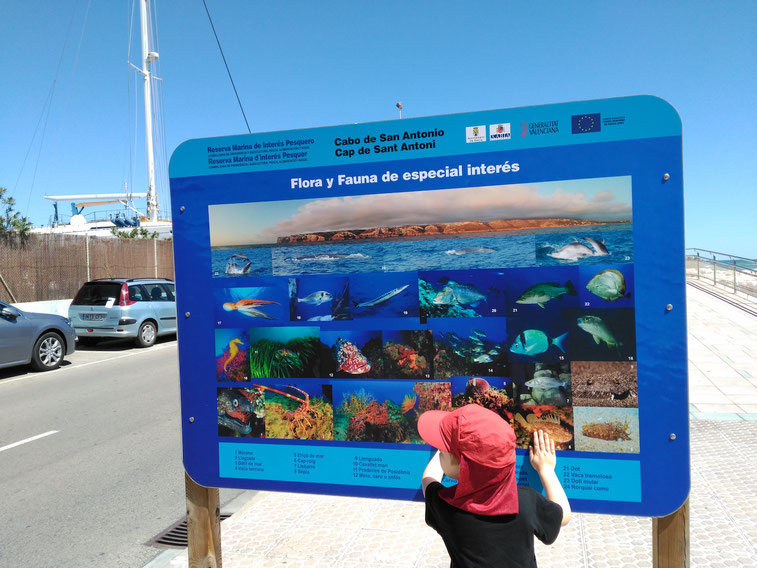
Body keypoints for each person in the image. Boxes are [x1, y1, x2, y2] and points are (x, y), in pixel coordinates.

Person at [418, 404, 571, 567]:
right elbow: (564, 515)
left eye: (443, 451)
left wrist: (442, 450)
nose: (441, 452)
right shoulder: (526, 502)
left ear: (461, 465)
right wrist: (546, 469)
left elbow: (428, 480)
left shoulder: (446, 506)